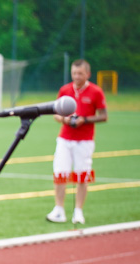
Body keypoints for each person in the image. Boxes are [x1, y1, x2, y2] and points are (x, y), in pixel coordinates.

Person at [47, 59, 107, 225]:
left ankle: (78, 211)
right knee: (60, 173)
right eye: (74, 73)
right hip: (65, 138)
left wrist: (84, 119)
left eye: (80, 73)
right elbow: (56, 113)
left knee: (82, 175)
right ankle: (59, 209)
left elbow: (103, 115)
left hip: (85, 140)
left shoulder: (96, 91)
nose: (77, 76)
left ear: (87, 74)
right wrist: (65, 120)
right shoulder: (65, 89)